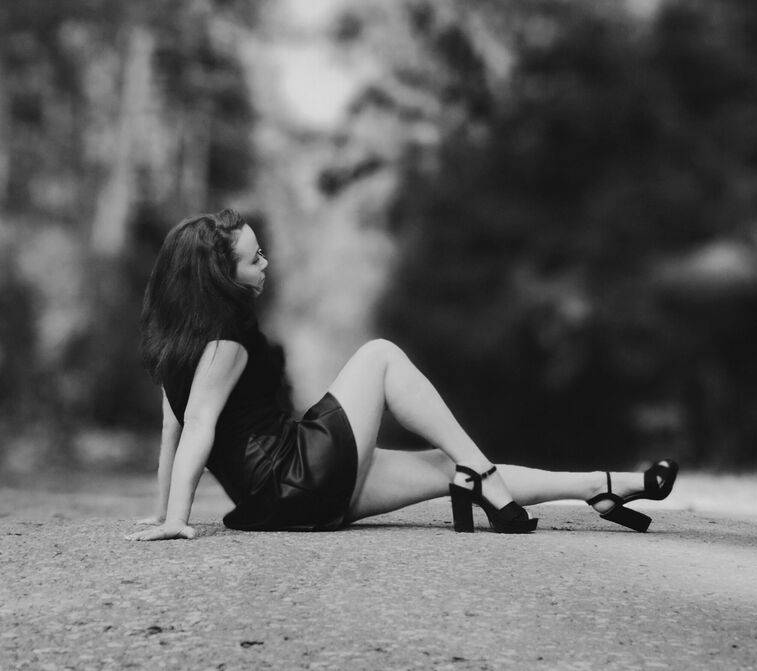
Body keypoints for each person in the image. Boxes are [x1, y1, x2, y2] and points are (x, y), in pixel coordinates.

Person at [129, 210, 678, 542]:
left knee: (446, 466)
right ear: (219, 279)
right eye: (253, 260)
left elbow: (172, 430)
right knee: (381, 356)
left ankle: (601, 486)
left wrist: (162, 513)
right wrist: (176, 519)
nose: (265, 263)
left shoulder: (178, 347)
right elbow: (196, 425)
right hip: (297, 477)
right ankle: (484, 471)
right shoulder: (225, 341)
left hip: (292, 499)